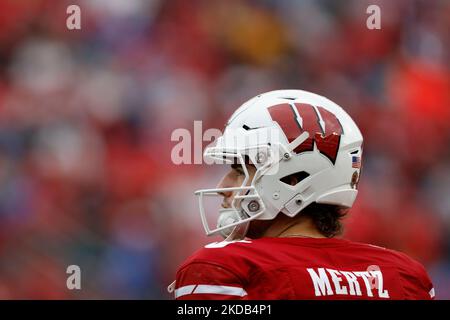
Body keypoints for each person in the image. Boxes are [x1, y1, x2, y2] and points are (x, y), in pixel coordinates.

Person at [169, 90, 435, 300]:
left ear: (293, 179)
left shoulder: (227, 267)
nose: (224, 186)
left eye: (240, 170)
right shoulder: (404, 275)